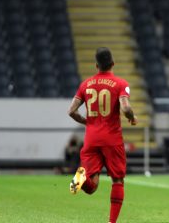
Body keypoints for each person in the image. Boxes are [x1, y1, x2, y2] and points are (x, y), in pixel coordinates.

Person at [67, 47, 137, 223]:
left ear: (96, 65)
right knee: (118, 180)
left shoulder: (85, 85)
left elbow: (71, 111)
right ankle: (111, 222)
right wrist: (132, 117)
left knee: (92, 187)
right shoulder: (121, 84)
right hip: (112, 139)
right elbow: (126, 107)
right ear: (113, 64)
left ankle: (80, 177)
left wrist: (88, 122)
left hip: (91, 138)